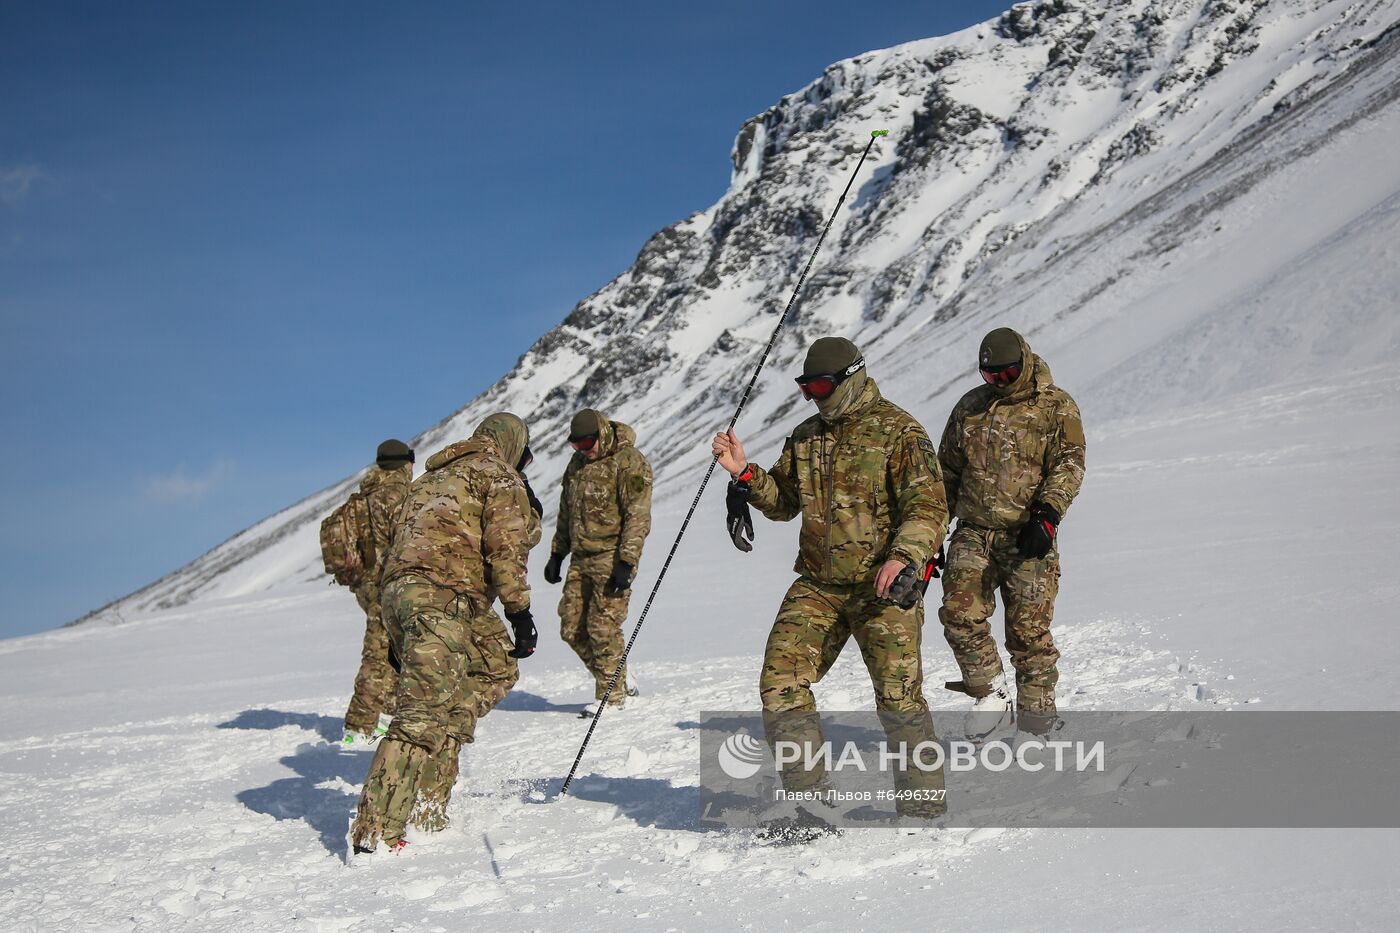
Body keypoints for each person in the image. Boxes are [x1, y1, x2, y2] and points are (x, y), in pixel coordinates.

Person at [712, 336, 949, 828]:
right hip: (819, 584)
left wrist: (904, 557)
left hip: (883, 585)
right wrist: (745, 474)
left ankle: (924, 807)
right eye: (806, 388)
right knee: (780, 682)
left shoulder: (899, 432)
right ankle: (809, 803)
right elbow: (783, 502)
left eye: (820, 385)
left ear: (850, 378)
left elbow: (928, 507)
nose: (814, 396)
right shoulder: (805, 436)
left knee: (897, 694)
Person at [349, 413, 539, 855]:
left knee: (495, 667)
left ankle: (427, 809)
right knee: (420, 715)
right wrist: (521, 612)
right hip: (444, 599)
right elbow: (507, 550)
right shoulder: (498, 474)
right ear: (513, 446)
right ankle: (374, 835)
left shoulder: (429, 481)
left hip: (406, 597)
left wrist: (399, 622)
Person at [936, 327, 1086, 738]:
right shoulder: (970, 407)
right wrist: (931, 533)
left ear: (1024, 361)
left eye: (1007, 374)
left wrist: (1048, 514)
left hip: (1028, 533)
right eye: (991, 377)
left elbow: (1069, 465)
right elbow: (946, 472)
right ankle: (991, 696)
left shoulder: (1056, 407)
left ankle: (1039, 726)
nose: (999, 383)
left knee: (1027, 634)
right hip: (973, 531)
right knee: (958, 615)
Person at [542, 409, 652, 718]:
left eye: (587, 443)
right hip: (581, 556)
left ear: (602, 435)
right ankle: (618, 675)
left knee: (602, 627)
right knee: (571, 628)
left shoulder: (628, 461)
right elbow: (567, 510)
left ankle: (611, 698)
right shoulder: (577, 465)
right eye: (576, 446)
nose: (583, 450)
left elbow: (637, 514)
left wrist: (627, 561)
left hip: (612, 555)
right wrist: (557, 553)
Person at [338, 439, 414, 749]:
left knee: (390, 654)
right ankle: (358, 727)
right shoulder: (401, 496)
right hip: (392, 586)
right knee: (380, 655)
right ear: (406, 462)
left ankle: (386, 717)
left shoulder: (361, 498)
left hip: (366, 587)